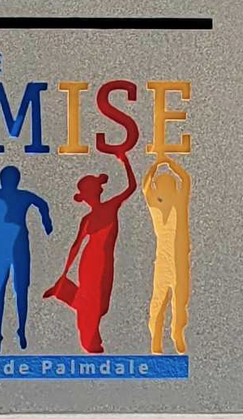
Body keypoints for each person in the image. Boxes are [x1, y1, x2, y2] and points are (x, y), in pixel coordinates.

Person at [44, 150, 138, 353]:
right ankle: (91, 342)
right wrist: (64, 273)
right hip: (92, 262)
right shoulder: (87, 219)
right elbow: (76, 247)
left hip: (104, 261)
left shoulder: (110, 207)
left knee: (101, 304)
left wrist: (125, 160)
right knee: (94, 303)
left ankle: (63, 292)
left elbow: (132, 187)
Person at [0, 148, 52, 354]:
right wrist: (46, 221)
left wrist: (47, 221)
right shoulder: (0, 195)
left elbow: (42, 203)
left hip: (15, 244)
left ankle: (21, 330)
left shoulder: (15, 195)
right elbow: (41, 204)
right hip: (5, 244)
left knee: (18, 289)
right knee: (1, 289)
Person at [144, 155, 192, 354]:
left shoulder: (180, 204)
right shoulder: (156, 207)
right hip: (163, 262)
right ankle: (155, 339)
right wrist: (155, 166)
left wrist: (171, 165)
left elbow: (186, 180)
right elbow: (146, 188)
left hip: (180, 261)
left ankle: (177, 333)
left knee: (180, 303)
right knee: (158, 302)